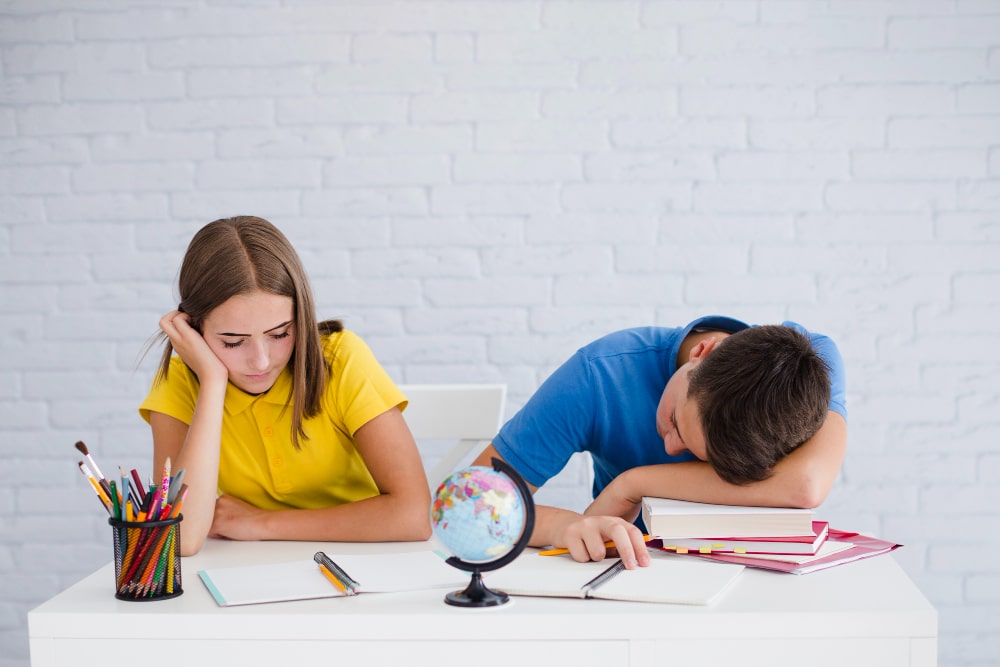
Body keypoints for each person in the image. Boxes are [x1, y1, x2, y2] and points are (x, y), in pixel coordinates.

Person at [140, 216, 431, 555]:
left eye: (280, 334)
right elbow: (181, 539)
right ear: (194, 330)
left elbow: (413, 517)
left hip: (365, 558)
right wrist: (213, 381)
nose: (261, 361)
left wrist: (263, 522)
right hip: (251, 570)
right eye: (233, 342)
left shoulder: (339, 359)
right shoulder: (182, 381)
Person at [473, 316, 847, 570]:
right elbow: (474, 499)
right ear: (704, 352)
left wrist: (633, 484)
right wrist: (561, 527)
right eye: (674, 422)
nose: (670, 448)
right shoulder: (600, 375)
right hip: (628, 579)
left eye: (700, 458)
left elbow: (806, 485)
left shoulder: (810, 369)